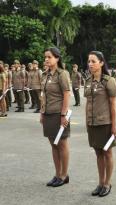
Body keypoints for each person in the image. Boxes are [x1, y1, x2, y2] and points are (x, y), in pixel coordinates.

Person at [84, 51, 116, 197]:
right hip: (92, 122)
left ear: (101, 63)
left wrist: (114, 125)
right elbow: (87, 103)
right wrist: (87, 121)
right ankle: (100, 182)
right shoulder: (88, 80)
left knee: (107, 152)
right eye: (89, 61)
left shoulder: (108, 81)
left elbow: (113, 104)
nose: (90, 64)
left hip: (105, 122)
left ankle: (107, 183)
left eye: (93, 61)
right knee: (98, 153)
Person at [40, 47, 72, 187]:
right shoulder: (46, 75)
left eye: (49, 57)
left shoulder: (62, 74)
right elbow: (44, 95)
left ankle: (64, 175)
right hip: (48, 113)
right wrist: (42, 112)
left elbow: (66, 94)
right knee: (53, 144)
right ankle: (57, 174)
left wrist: (63, 114)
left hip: (59, 114)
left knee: (62, 144)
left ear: (57, 58)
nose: (46, 59)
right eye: (45, 57)